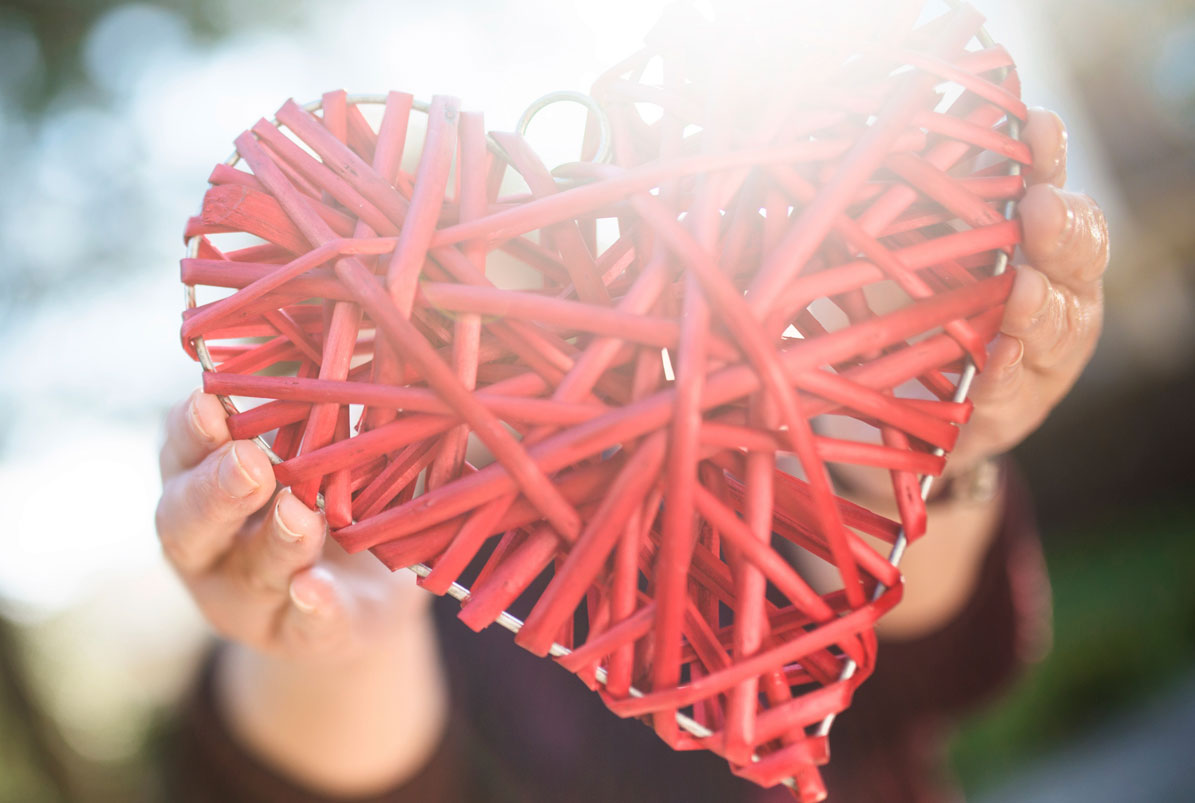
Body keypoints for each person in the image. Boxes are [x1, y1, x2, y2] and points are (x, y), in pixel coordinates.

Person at [153, 108, 1107, 802]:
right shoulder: (393, 533)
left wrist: (919, 449)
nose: (435, 306)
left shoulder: (726, 378)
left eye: (456, 234)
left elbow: (935, 666)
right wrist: (338, 643)